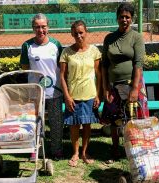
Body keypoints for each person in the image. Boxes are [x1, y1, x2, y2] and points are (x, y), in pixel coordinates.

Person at [101, 2, 149, 164]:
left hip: (132, 84)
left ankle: (138, 150)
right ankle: (115, 150)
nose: (124, 19)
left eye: (127, 17)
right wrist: (106, 88)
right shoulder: (109, 38)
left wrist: (135, 88)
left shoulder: (137, 37)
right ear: (117, 18)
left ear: (132, 19)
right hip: (114, 86)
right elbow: (105, 65)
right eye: (121, 16)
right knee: (115, 120)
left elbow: (138, 64)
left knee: (136, 120)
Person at [20, 13, 64, 160]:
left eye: (43, 26)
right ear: (33, 28)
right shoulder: (27, 46)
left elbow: (61, 67)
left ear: (48, 27)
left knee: (56, 122)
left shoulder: (56, 45)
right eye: (37, 27)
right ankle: (35, 149)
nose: (41, 30)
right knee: (34, 122)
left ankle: (56, 150)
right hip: (34, 92)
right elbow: (25, 67)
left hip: (55, 91)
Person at [60, 20, 101, 167]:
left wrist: (98, 95)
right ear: (72, 34)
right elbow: (62, 76)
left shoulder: (94, 51)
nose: (79, 35)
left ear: (86, 32)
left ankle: (85, 152)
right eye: (76, 33)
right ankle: (76, 152)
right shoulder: (66, 52)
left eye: (81, 32)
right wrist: (67, 96)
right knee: (74, 125)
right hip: (73, 96)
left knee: (87, 124)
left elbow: (99, 74)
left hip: (90, 94)